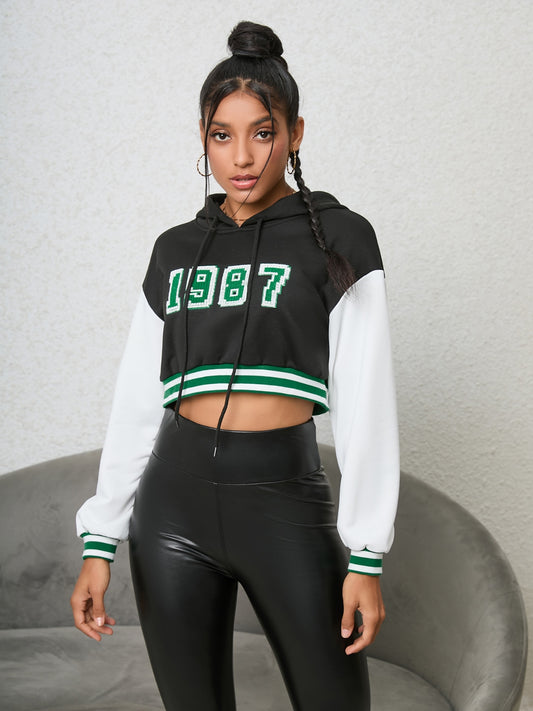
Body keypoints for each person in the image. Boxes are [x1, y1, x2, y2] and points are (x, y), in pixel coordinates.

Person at [70, 20, 399, 711]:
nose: (242, 157)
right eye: (222, 135)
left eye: (262, 132)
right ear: (203, 137)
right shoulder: (175, 250)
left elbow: (368, 400)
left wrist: (365, 554)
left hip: (283, 499)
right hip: (171, 505)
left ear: (295, 133)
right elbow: (137, 398)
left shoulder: (340, 239)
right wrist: (100, 540)